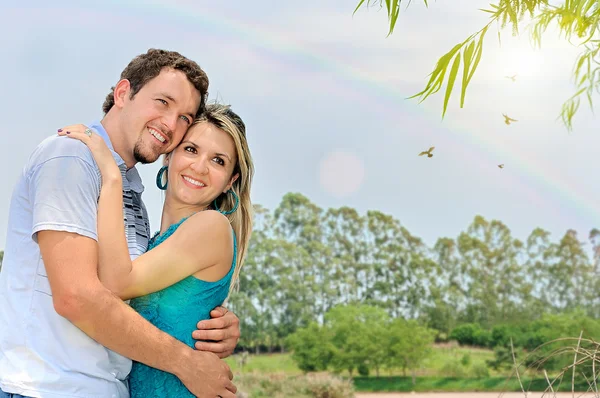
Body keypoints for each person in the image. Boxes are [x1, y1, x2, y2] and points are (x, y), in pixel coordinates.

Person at [0, 49, 242, 398]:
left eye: (184, 117)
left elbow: (131, 294)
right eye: (162, 102)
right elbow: (77, 296)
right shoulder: (72, 157)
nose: (170, 124)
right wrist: (186, 362)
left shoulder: (132, 196)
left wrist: (208, 317)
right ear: (123, 93)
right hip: (47, 388)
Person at [57, 102, 254, 397]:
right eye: (191, 149)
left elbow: (116, 283)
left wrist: (111, 176)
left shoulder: (211, 227)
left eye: (218, 161)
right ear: (169, 156)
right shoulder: (152, 242)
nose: (199, 167)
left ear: (231, 181)